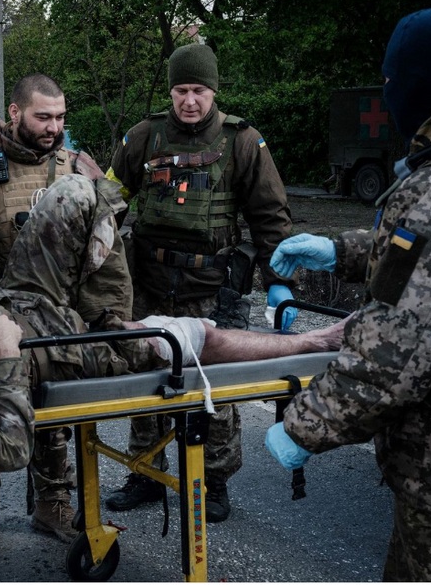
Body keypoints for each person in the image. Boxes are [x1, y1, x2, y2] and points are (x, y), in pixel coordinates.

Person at [0, 174, 344, 480]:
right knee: (195, 336)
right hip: (69, 346)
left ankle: (105, 271)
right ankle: (315, 341)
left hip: (25, 296)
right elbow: (5, 451)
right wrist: (6, 355)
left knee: (74, 191)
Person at [265, 6, 431, 582]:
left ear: (417, 85)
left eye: (390, 77)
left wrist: (304, 426)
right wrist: (339, 250)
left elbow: (391, 356)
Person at [102, 43, 297, 522]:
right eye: (181, 90)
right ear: (171, 90)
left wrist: (280, 283)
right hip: (148, 282)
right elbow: (108, 203)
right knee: (147, 381)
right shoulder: (143, 137)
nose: (190, 101)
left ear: (213, 91)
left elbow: (270, 217)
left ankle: (214, 482)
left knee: (215, 388)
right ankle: (145, 473)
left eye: (199, 91)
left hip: (211, 287)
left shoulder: (244, 143)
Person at [0, 73, 109, 551]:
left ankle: (52, 503)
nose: (53, 127)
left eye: (60, 118)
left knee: (54, 411)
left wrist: (105, 316)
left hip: (56, 315)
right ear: (16, 112)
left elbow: (108, 248)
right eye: (43, 117)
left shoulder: (78, 167)